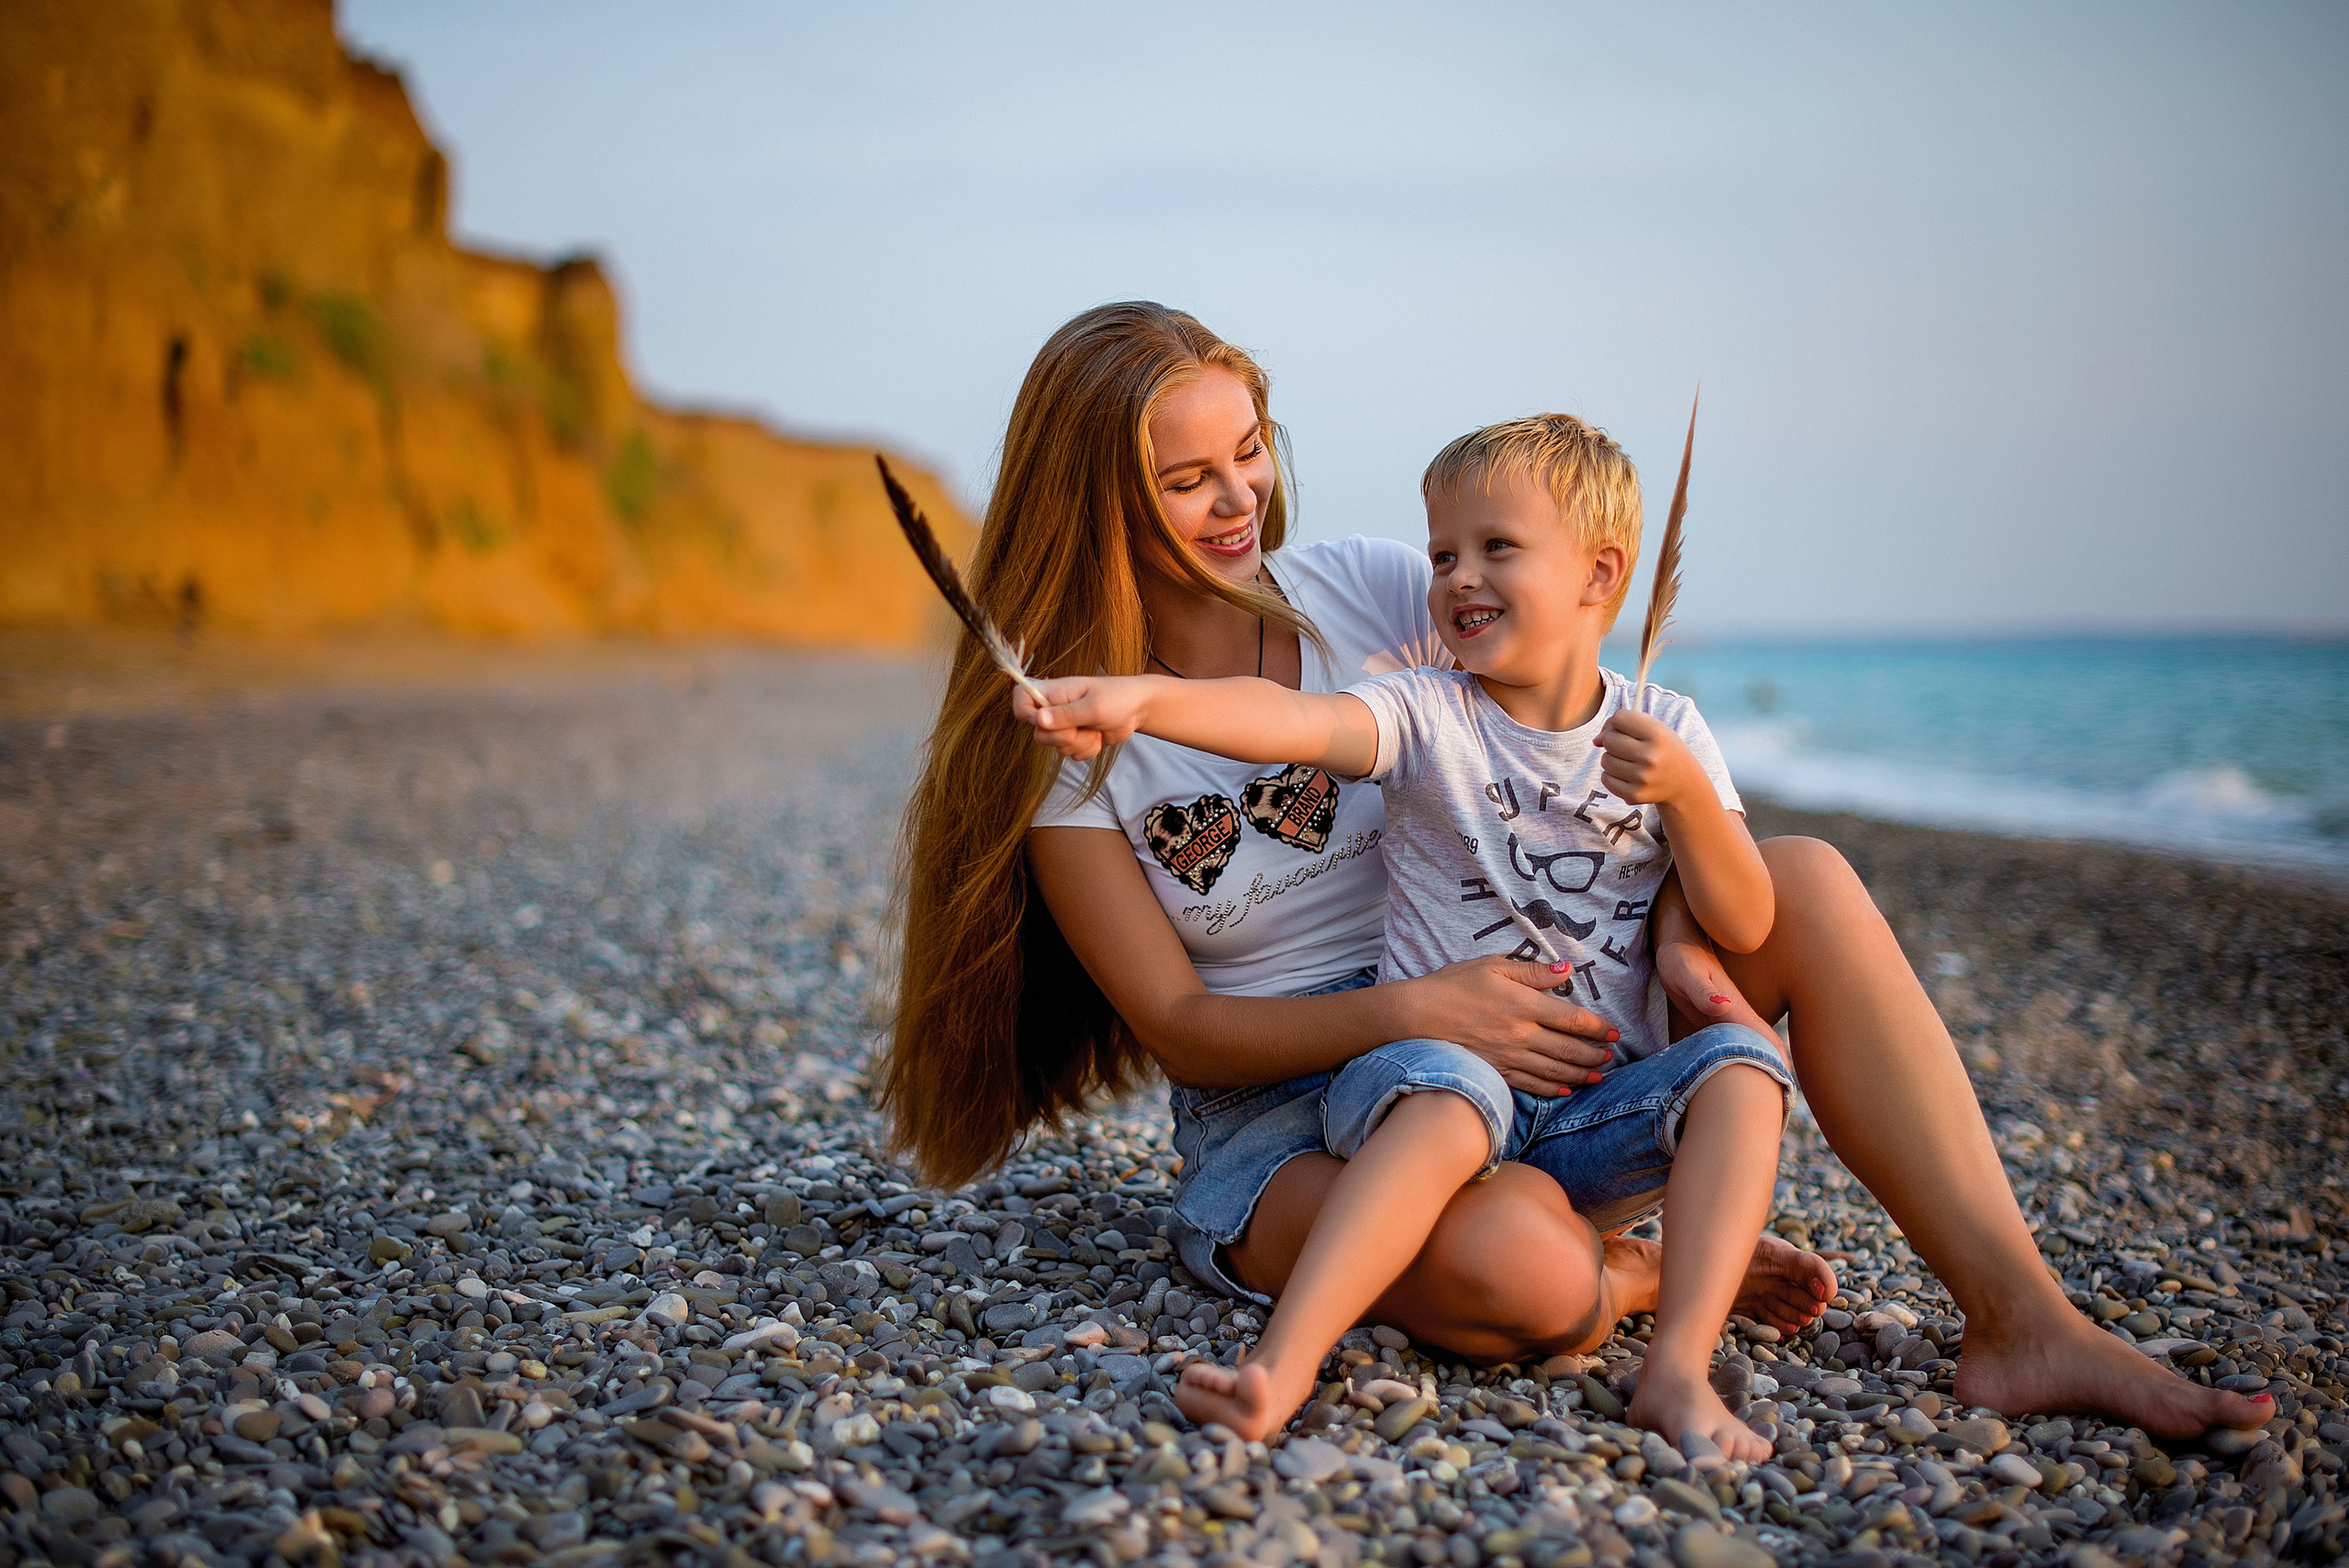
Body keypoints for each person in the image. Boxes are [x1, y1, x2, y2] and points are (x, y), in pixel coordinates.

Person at [877, 300, 2270, 1440]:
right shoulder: (1065, 741)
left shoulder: (1369, 589)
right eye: (1187, 479)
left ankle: (2023, 1318)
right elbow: (1184, 1029)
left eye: (1248, 450)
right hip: (1285, 1113)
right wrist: (1422, 1012)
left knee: (1804, 877)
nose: (1240, 495)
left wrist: (1670, 931)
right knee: (1527, 1277)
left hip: (1531, 1045)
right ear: (1097, 497)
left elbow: (1560, 738)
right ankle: (1644, 1271)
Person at [1012, 411, 1797, 1451]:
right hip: (1422, 1067)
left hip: (1587, 1097)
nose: (1458, 576)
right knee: (1454, 1108)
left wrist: (1688, 800)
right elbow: (1292, 720)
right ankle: (1281, 1367)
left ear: (1601, 574)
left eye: (1495, 547)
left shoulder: (1671, 728)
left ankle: (1680, 1372)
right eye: (1443, 556)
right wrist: (1146, 701)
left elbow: (1748, 916)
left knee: (1744, 1065)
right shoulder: (1426, 711)